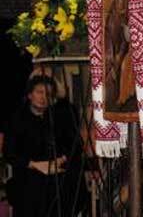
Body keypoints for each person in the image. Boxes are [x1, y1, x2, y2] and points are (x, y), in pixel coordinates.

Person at [4, 75, 86, 217]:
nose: (43, 97)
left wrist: (60, 160)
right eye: (39, 92)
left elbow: (75, 144)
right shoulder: (18, 119)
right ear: (30, 95)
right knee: (32, 189)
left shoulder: (60, 116)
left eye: (48, 94)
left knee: (67, 185)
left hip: (58, 169)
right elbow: (10, 153)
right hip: (30, 172)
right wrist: (36, 165)